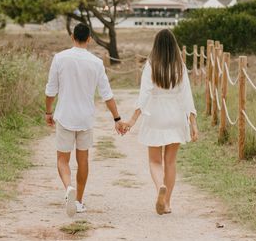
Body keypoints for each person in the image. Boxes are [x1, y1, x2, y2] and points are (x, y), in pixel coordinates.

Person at [45, 23, 128, 217]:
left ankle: (68, 189)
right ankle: (79, 201)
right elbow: (107, 95)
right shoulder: (96, 63)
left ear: (72, 36)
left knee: (62, 160)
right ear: (89, 39)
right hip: (85, 118)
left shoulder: (59, 58)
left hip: (65, 115)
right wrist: (117, 118)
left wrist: (48, 112)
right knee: (83, 161)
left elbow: (51, 91)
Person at [124, 29, 199, 215]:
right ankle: (167, 203)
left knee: (155, 161)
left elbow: (144, 95)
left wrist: (132, 120)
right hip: (175, 116)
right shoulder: (180, 66)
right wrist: (193, 123)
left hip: (155, 115)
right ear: (174, 46)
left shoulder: (151, 65)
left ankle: (160, 188)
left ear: (156, 45)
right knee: (170, 162)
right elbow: (186, 95)